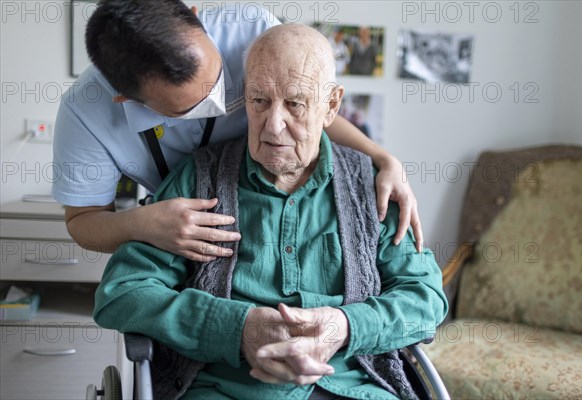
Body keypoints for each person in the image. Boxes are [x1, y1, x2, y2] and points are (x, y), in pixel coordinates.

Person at [94, 23, 448, 400]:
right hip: (225, 389)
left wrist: (344, 326)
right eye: (259, 101)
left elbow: (425, 298)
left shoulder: (372, 188)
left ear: (331, 105)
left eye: (295, 104)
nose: (273, 125)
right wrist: (236, 328)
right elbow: (122, 293)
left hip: (352, 388)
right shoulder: (200, 178)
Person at [52, 0, 424, 263]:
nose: (222, 102)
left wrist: (382, 158)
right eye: (193, 106)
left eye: (219, 79)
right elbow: (82, 222)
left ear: (196, 17)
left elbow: (305, 114)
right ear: (126, 99)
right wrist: (141, 224)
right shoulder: (84, 113)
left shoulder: (250, 30)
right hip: (184, 229)